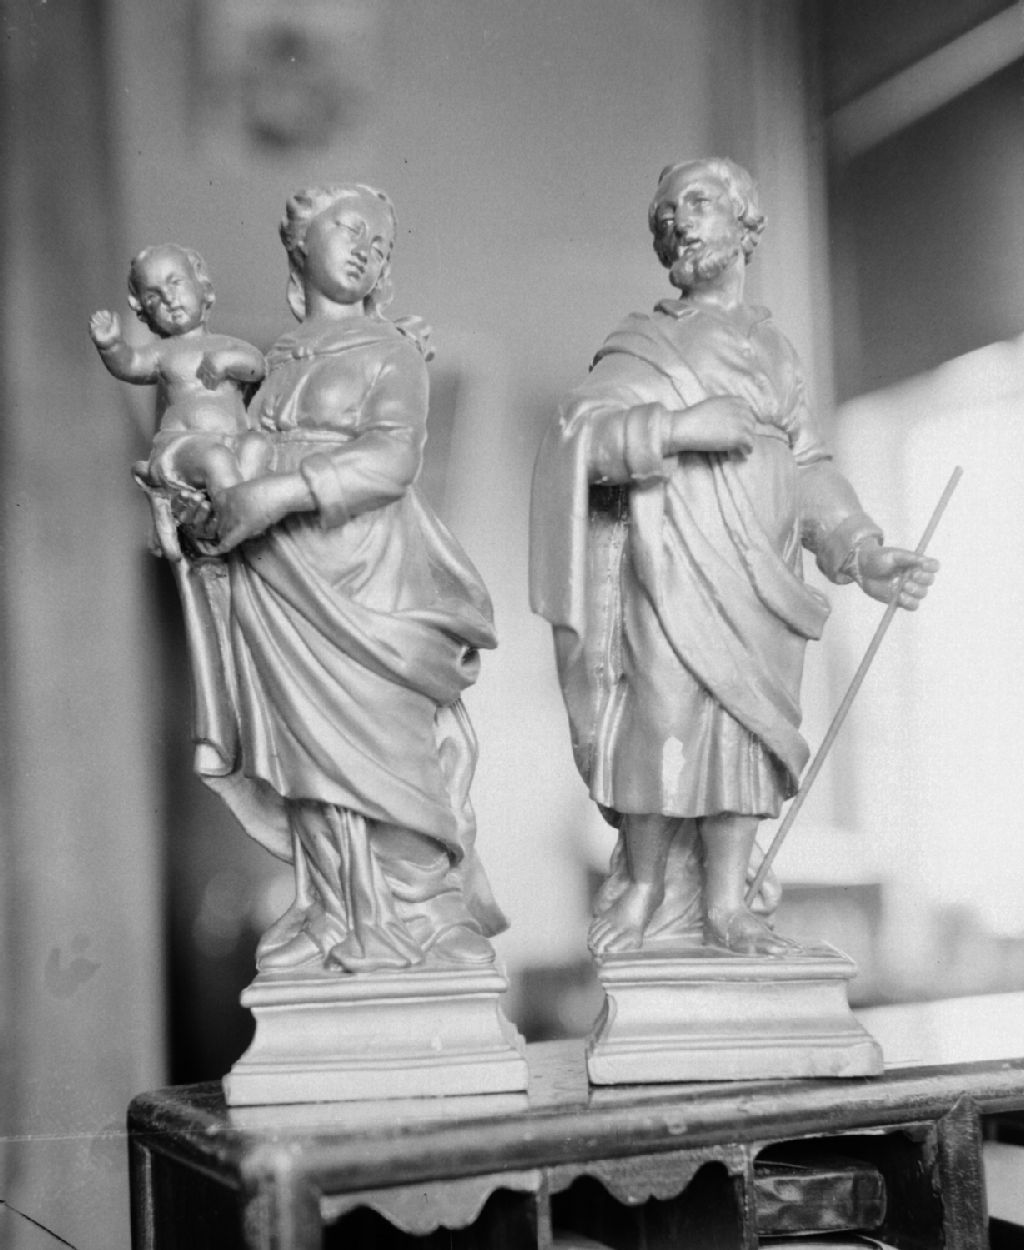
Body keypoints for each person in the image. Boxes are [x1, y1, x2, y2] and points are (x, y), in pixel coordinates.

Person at [530, 158, 937, 958]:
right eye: (666, 214)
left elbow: (810, 466)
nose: (679, 221)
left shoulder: (777, 353)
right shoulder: (642, 345)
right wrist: (676, 429)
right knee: (661, 716)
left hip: (764, 582)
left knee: (746, 734)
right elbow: (581, 441)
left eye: (698, 203)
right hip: (672, 568)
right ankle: (645, 884)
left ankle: (726, 903)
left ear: (746, 225)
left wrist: (861, 548)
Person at [186, 183, 506, 974]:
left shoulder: (390, 352)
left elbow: (392, 459)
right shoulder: (275, 364)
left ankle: (423, 913)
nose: (367, 250)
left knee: (386, 740)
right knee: (307, 754)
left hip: (366, 579)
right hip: (281, 583)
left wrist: (277, 493)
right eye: (350, 230)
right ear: (300, 245)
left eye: (381, 244)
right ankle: (334, 909)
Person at [90, 244, 270, 513]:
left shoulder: (227, 344)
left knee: (257, 445)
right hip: (182, 447)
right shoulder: (162, 352)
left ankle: (248, 509)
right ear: (143, 311)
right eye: (154, 297)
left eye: (176, 283)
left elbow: (257, 365)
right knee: (216, 459)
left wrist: (227, 361)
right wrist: (111, 346)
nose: (169, 298)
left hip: (232, 439)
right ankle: (232, 514)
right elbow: (131, 364)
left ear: (203, 287)